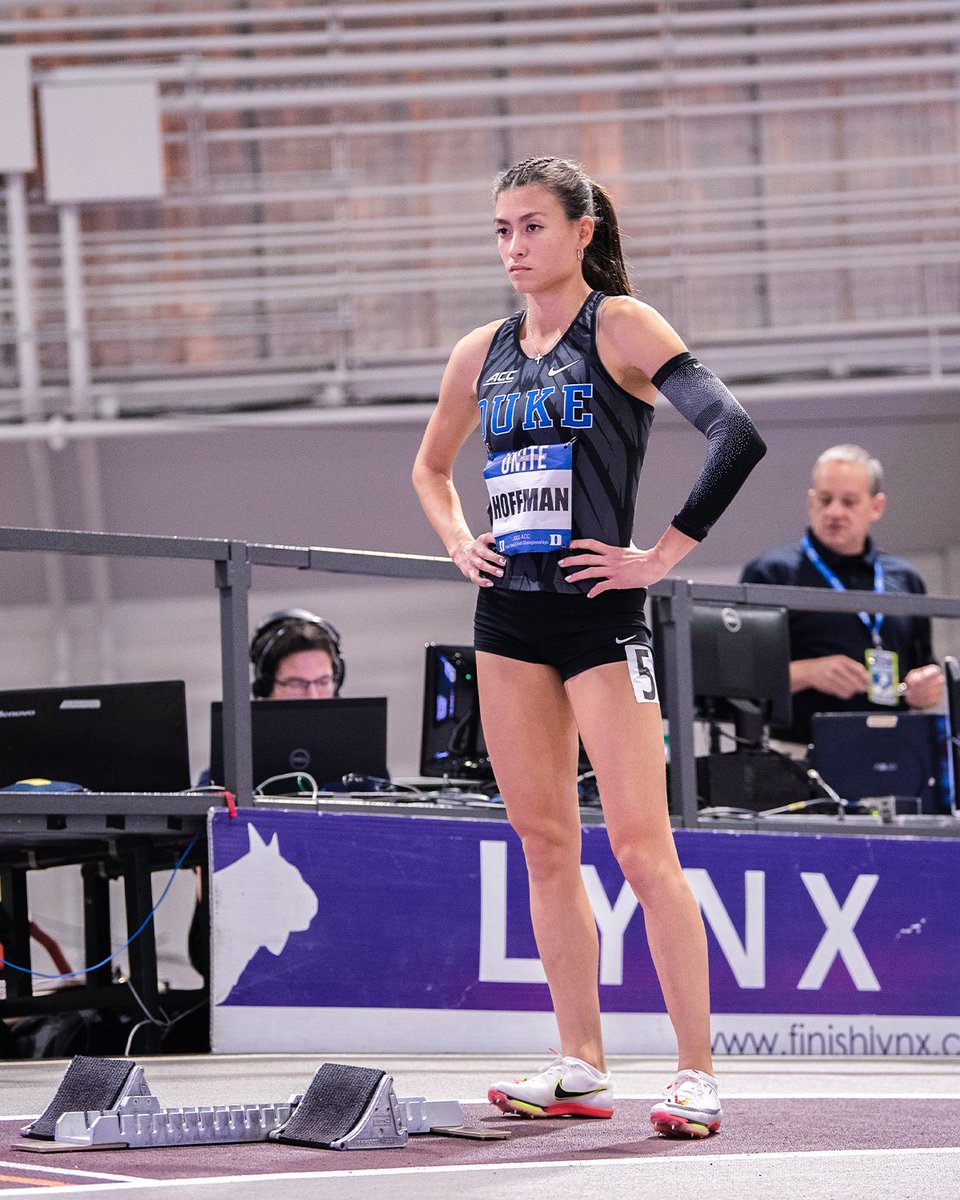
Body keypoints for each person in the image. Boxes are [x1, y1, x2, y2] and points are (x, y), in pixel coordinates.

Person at [412, 156, 766, 1139]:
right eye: (501, 230)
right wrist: (457, 542)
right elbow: (431, 467)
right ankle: (580, 1060)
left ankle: (695, 1072)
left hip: (602, 620)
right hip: (509, 621)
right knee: (544, 846)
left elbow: (734, 434)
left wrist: (660, 556)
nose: (514, 247)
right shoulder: (479, 351)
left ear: (580, 230)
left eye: (531, 226)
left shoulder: (621, 325)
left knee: (644, 849)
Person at [741, 445, 944, 746]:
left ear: (876, 507)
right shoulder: (772, 574)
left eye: (849, 502)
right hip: (800, 753)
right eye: (825, 500)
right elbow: (741, 678)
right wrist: (809, 672)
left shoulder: (904, 578)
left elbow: (923, 665)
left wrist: (928, 688)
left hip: (893, 748)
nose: (835, 511)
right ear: (811, 503)